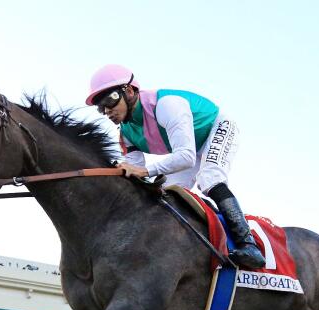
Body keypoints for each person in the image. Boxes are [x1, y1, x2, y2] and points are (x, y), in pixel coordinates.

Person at [86, 64, 265, 269]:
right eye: (100, 107)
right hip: (187, 148)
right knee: (166, 195)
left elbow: (186, 157)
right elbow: (138, 178)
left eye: (110, 100)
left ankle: (248, 245)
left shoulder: (166, 105)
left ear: (129, 91)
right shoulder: (125, 134)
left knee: (210, 178)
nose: (107, 110)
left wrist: (144, 171)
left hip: (216, 128)